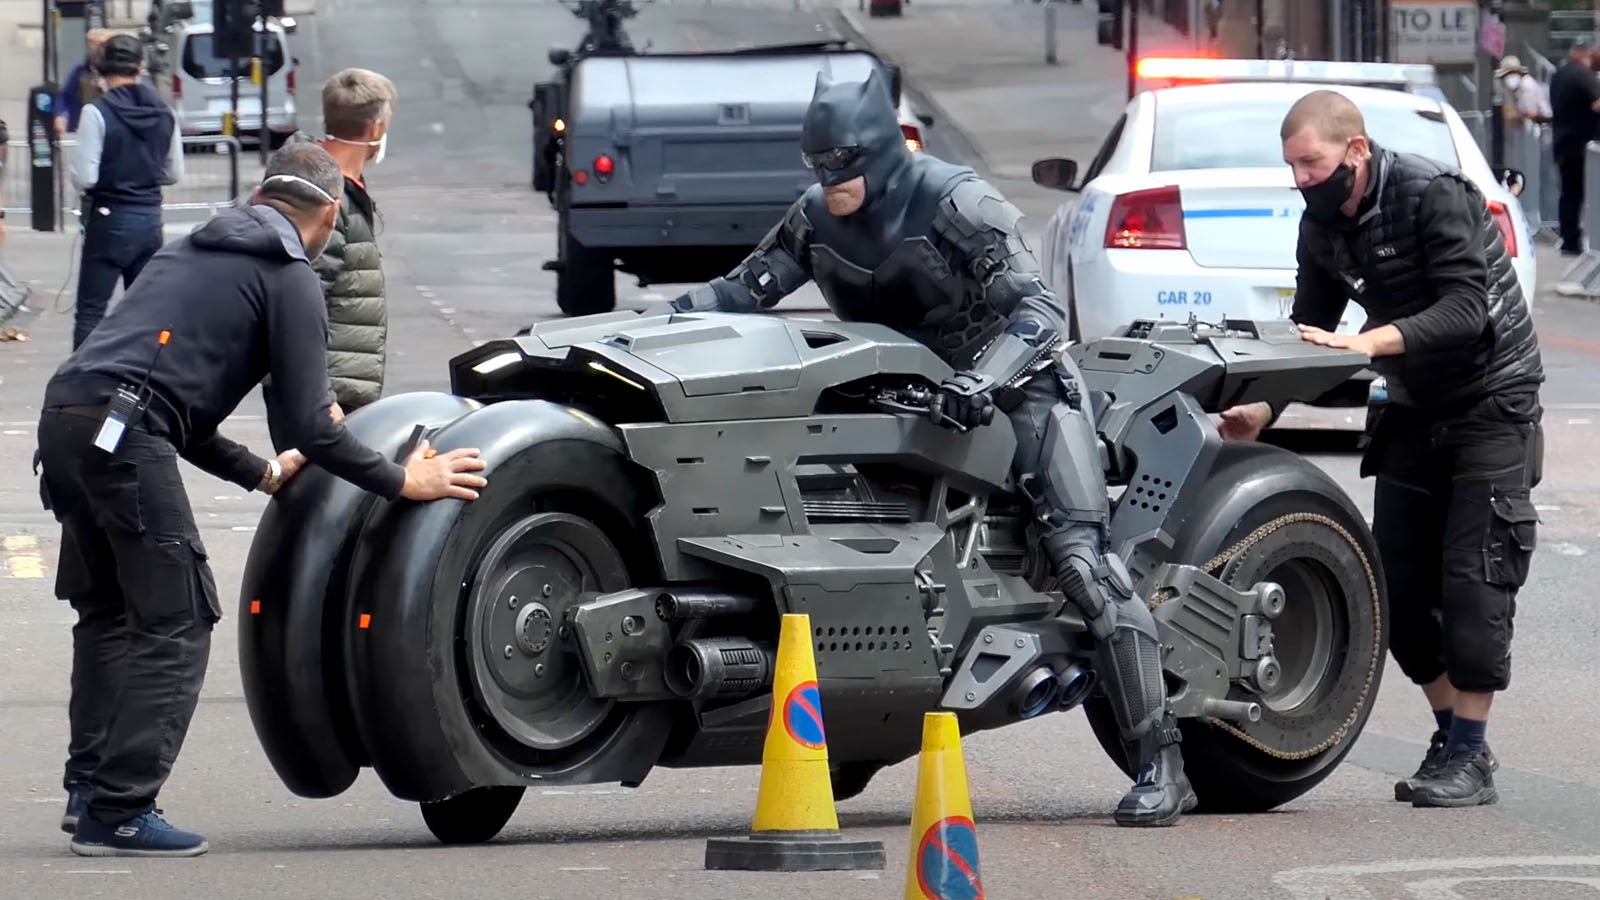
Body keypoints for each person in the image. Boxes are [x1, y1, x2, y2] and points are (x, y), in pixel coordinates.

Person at [665, 69, 1194, 827]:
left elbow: (1041, 313)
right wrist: (663, 319)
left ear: (880, 155)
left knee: (1082, 562)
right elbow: (742, 291)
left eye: (843, 169)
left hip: (1020, 391)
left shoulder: (958, 203)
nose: (829, 184)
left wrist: (984, 381)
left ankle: (1160, 761)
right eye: (818, 170)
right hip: (897, 397)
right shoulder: (816, 217)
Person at [35, 142, 489, 858]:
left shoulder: (189, 252)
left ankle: (91, 790)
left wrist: (260, 473)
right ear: (330, 213)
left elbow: (172, 403)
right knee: (178, 616)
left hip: (67, 420)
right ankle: (120, 811)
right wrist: (407, 481)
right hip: (122, 435)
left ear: (261, 198)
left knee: (111, 616)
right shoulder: (288, 276)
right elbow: (311, 425)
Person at [1220, 90, 1544, 809]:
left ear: (1355, 151)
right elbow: (1311, 326)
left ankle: (1467, 752)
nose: (1301, 178)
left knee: (1474, 580)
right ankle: (1452, 734)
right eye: (1292, 167)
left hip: (1493, 400)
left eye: (1312, 162)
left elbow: (1466, 310)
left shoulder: (1435, 196)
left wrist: (1369, 342)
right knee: (1390, 588)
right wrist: (1264, 408)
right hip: (1412, 405)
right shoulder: (1321, 223)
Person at [273, 68, 397, 429]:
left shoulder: (336, 184)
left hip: (336, 385)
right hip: (327, 393)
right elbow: (302, 298)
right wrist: (321, 397)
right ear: (376, 128)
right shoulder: (324, 196)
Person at [68, 33, 184, 350]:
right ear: (141, 66)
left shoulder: (97, 112)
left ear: (102, 68)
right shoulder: (165, 113)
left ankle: (80, 389)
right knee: (147, 313)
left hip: (109, 220)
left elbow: (86, 177)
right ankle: (143, 384)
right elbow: (174, 173)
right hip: (149, 220)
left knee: (91, 312)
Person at [1548, 36, 1600, 255]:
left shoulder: (1560, 74)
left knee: (1569, 194)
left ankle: (1570, 240)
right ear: (1588, 53)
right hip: (1583, 145)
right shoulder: (1583, 75)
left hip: (1563, 141)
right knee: (1584, 193)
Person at [55, 29, 113, 136]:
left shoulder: (116, 71)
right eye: (93, 43)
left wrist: (106, 89)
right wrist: (61, 115)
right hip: (84, 125)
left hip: (109, 126)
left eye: (102, 44)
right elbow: (65, 95)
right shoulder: (80, 70)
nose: (97, 48)